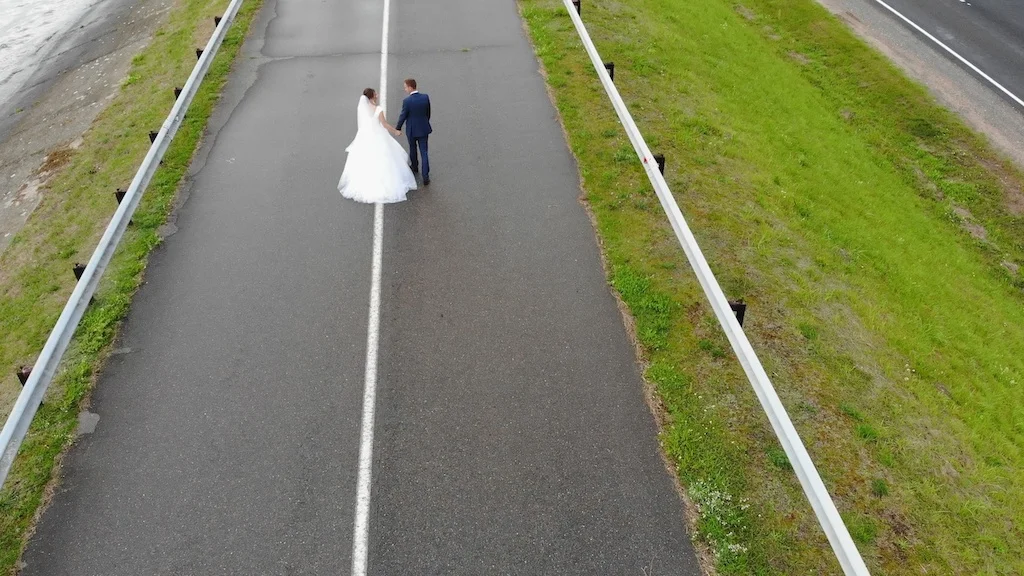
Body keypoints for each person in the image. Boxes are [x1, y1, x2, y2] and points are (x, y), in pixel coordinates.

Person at [338, 88, 417, 204]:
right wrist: (395, 132)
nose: (377, 94)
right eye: (376, 93)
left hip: (366, 137)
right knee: (385, 158)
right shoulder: (378, 109)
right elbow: (384, 124)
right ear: (372, 96)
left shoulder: (362, 109)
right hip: (379, 135)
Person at [395, 78, 432, 185]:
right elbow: (428, 113)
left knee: (413, 148)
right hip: (423, 128)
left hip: (411, 129)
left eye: (405, 87)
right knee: (424, 152)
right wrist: (425, 122)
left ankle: (415, 167)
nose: (405, 89)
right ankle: (426, 176)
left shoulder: (407, 101)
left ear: (410, 87)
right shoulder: (425, 97)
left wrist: (398, 127)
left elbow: (403, 116)